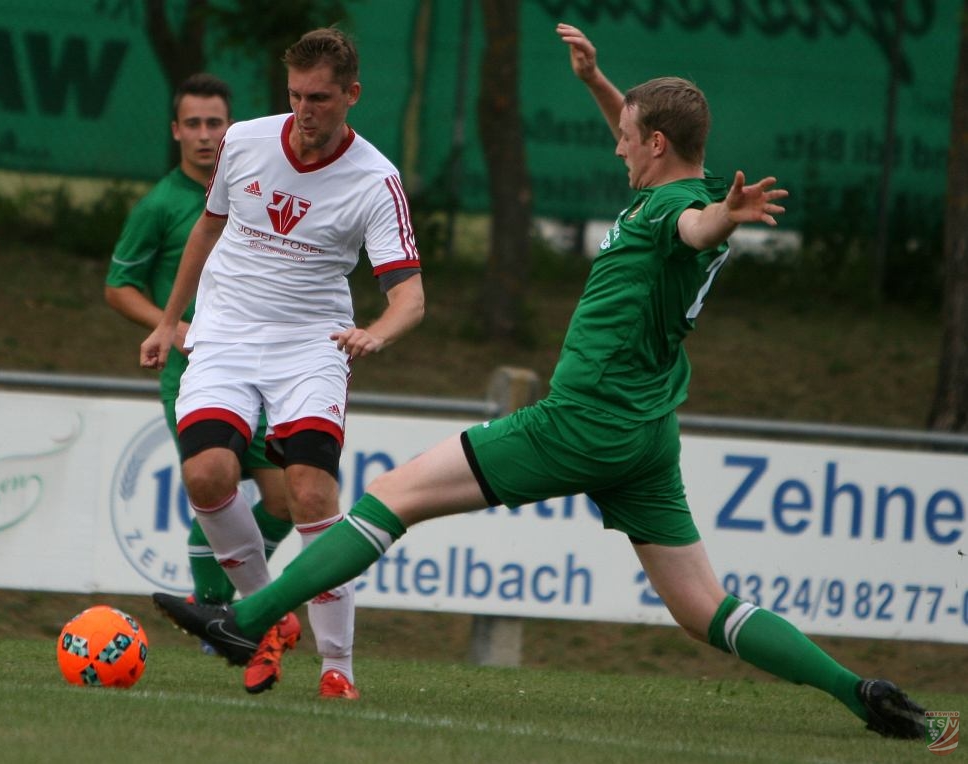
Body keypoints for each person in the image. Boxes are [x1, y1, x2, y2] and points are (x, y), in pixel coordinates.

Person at [150, 22, 926, 740]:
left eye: (627, 139)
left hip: (581, 422)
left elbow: (696, 226)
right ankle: (859, 691)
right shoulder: (674, 181)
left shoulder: (679, 212)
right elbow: (659, 160)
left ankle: (247, 616)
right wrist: (598, 84)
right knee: (702, 607)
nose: (617, 147)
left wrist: (725, 219)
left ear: (655, 145)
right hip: (647, 434)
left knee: (394, 498)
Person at [140, 29, 424, 701]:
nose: (305, 111)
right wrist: (166, 320)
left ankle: (338, 669)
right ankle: (263, 619)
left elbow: (409, 296)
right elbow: (208, 230)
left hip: (310, 345)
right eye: (296, 95)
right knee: (206, 473)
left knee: (311, 494)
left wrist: (377, 332)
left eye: (321, 98)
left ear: (351, 95)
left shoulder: (376, 180)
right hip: (227, 332)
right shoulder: (245, 141)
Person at [105, 72, 295, 656]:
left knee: (287, 500)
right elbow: (119, 286)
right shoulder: (161, 205)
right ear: (175, 131)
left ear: (231, 128)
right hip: (191, 375)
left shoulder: (252, 189)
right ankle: (217, 621)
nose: (206, 135)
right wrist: (173, 324)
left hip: (258, 369)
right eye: (194, 124)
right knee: (219, 485)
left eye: (216, 123)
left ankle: (234, 607)